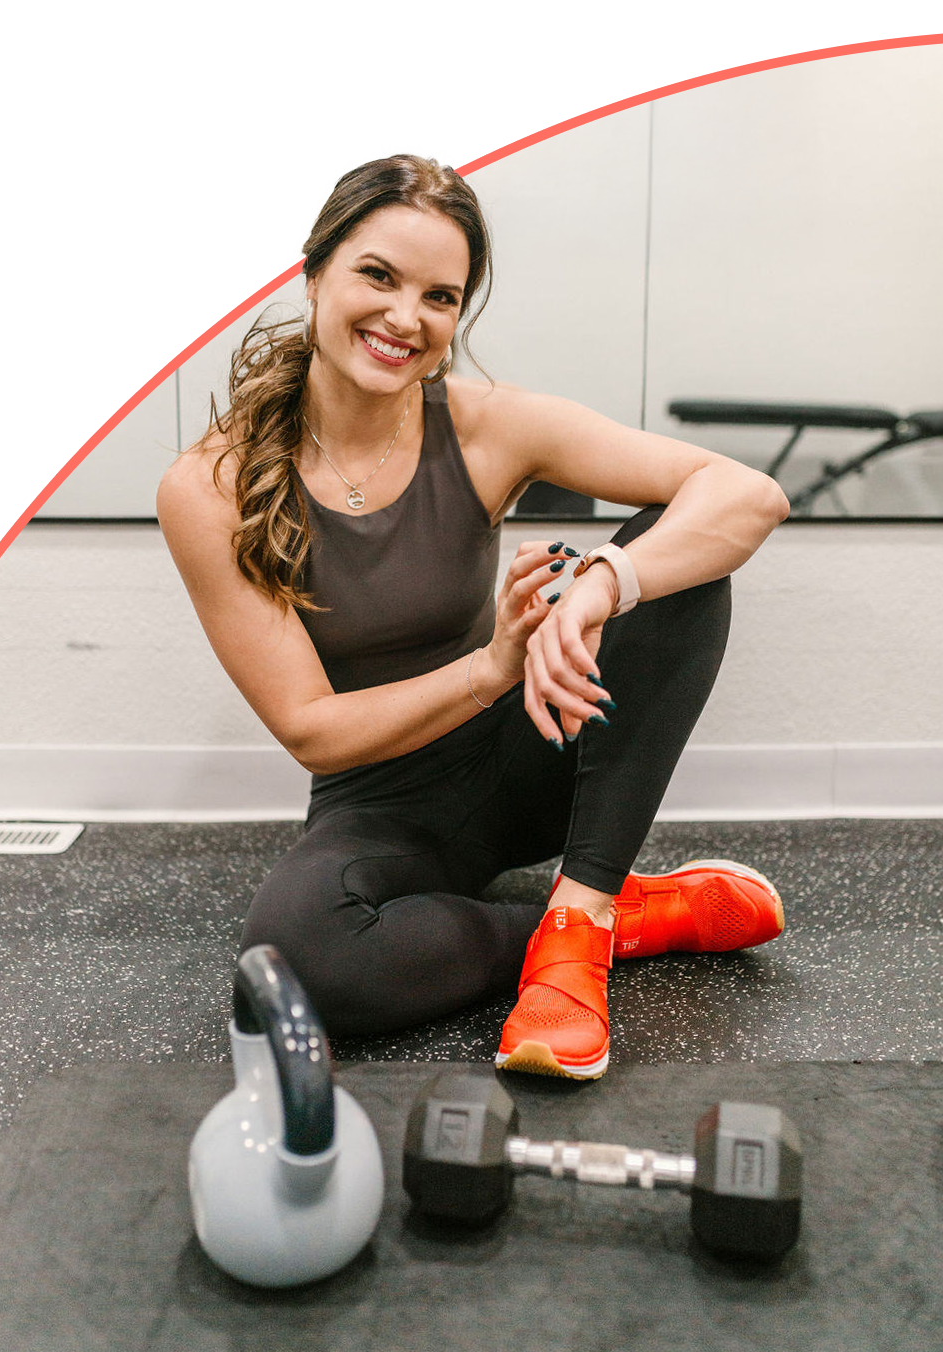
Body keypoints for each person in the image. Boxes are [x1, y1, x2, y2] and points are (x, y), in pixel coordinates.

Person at [157, 150, 791, 1080]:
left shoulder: (487, 425)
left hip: (527, 754)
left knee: (678, 560)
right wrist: (493, 664)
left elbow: (746, 495)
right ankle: (613, 916)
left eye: (440, 296)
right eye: (376, 275)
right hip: (380, 802)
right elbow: (313, 731)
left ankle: (576, 929)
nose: (404, 318)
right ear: (314, 268)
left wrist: (604, 581)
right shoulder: (207, 487)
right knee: (302, 964)